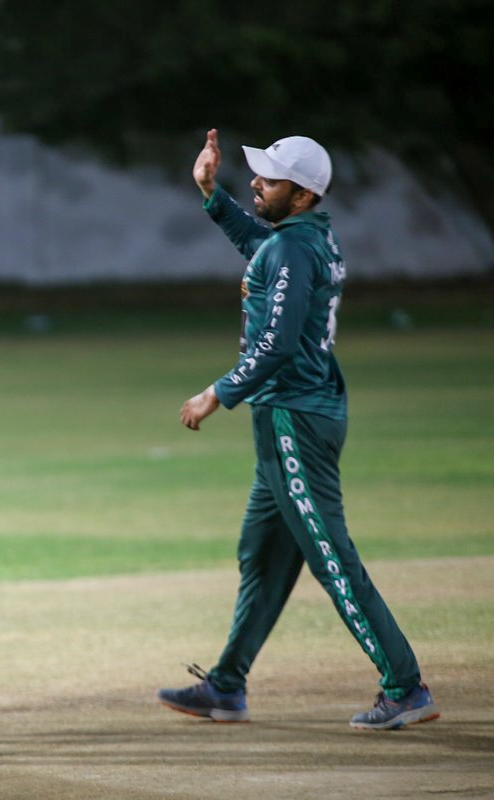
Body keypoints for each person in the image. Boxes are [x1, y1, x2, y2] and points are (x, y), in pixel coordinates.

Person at [157, 130, 440, 731]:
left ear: (304, 194)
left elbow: (278, 343)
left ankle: (405, 686)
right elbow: (260, 247)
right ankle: (226, 686)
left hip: (294, 419)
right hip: (295, 415)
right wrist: (211, 193)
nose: (256, 182)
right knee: (262, 555)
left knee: (331, 557)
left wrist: (217, 393)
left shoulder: (293, 245)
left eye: (270, 178)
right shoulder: (308, 237)